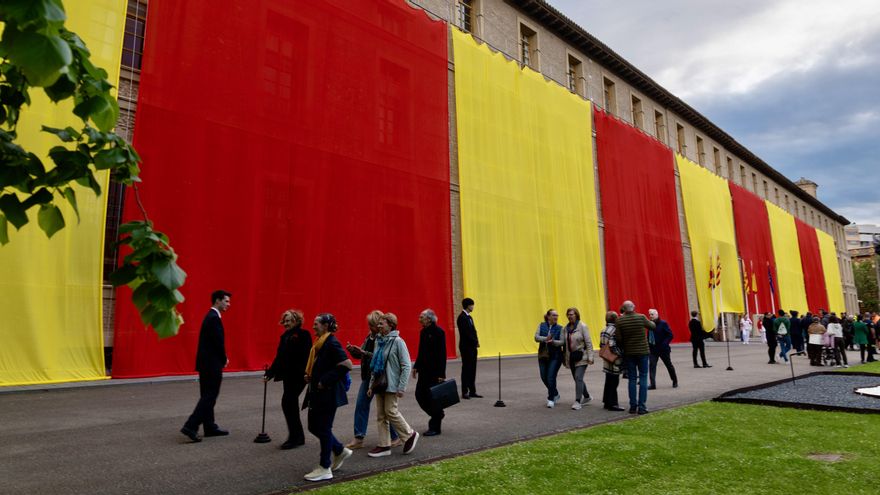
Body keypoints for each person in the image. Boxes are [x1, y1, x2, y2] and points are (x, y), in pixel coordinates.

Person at [303, 313, 353, 482]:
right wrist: (311, 375)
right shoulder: (320, 343)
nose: (313, 326)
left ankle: (325, 467)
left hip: (328, 394)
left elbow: (347, 364)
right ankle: (339, 450)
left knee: (323, 428)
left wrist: (324, 380)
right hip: (318, 393)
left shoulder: (331, 342)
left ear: (325, 326)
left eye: (316, 323)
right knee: (313, 426)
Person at [180, 290, 231, 443]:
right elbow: (218, 343)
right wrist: (224, 359)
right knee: (210, 396)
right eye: (226, 301)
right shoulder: (214, 318)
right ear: (217, 301)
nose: (229, 304)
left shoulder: (210, 317)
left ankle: (209, 426)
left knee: (207, 395)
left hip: (205, 364)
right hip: (212, 364)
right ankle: (191, 425)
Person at [344, 310, 399, 450]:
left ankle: (396, 436)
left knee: (387, 409)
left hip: (380, 377)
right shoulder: (370, 337)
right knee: (361, 405)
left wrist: (363, 353)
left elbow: (378, 356)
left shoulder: (383, 338)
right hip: (368, 377)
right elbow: (363, 355)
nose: (370, 328)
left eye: (372, 325)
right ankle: (359, 437)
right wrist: (354, 351)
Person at [366, 313, 419, 457]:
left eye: (381, 324)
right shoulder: (379, 341)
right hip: (380, 384)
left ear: (390, 325)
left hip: (392, 384)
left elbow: (406, 365)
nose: (379, 326)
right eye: (378, 324)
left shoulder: (398, 342)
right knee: (381, 415)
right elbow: (375, 366)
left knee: (391, 411)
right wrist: (371, 386)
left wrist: (401, 386)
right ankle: (384, 446)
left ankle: (410, 434)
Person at [264, 309, 312, 449]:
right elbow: (279, 357)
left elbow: (307, 355)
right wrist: (270, 374)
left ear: (296, 321)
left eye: (289, 320)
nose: (286, 323)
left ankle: (295, 437)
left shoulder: (303, 335)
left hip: (299, 375)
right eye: (284, 321)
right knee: (289, 404)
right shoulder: (285, 336)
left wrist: (306, 372)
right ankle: (297, 436)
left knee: (288, 402)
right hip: (288, 376)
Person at [616, 301, 655, 415]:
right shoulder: (641, 317)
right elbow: (653, 326)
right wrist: (651, 319)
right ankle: (642, 407)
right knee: (643, 378)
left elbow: (618, 339)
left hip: (629, 353)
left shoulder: (619, 320)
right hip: (643, 352)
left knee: (632, 379)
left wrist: (625, 346)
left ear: (623, 309)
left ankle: (633, 406)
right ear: (634, 307)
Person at [413, 309, 447, 436]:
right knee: (419, 395)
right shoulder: (423, 332)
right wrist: (416, 366)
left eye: (421, 317)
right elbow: (421, 351)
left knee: (433, 398)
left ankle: (435, 427)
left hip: (434, 372)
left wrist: (441, 374)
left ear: (428, 319)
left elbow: (442, 354)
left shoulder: (439, 332)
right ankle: (438, 414)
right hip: (424, 371)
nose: (419, 319)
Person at [561, 307, 594, 410]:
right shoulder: (565, 329)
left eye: (572, 314)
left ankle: (577, 401)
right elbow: (564, 344)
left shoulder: (582, 326)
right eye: (569, 314)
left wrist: (590, 356)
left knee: (578, 377)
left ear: (576, 315)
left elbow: (588, 342)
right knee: (577, 378)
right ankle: (587, 397)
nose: (570, 316)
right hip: (571, 357)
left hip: (582, 356)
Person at [534, 308, 563, 408]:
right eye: (554, 315)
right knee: (544, 377)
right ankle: (555, 393)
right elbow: (536, 337)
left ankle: (551, 398)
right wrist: (545, 339)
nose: (556, 317)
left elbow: (562, 342)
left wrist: (554, 342)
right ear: (548, 316)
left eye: (557, 315)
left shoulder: (560, 328)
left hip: (555, 356)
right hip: (543, 355)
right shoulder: (541, 325)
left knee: (551, 377)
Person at [457, 298, 481, 399]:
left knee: (472, 368)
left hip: (472, 347)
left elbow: (473, 331)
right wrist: (474, 341)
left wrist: (476, 341)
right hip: (466, 347)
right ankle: (464, 391)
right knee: (466, 368)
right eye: (472, 305)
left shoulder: (469, 317)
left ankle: (472, 390)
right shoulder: (462, 318)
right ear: (468, 306)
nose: (473, 307)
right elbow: (466, 333)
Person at [600, 311, 624, 411]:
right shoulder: (615, 330)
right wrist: (620, 354)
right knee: (614, 382)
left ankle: (606, 402)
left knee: (608, 381)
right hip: (614, 360)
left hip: (606, 359)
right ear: (615, 319)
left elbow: (601, 345)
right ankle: (613, 404)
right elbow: (612, 345)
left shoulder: (603, 330)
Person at [648, 309, 678, 389]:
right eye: (649, 314)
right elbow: (649, 337)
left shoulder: (663, 323)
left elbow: (670, 335)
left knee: (668, 365)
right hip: (653, 350)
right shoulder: (649, 324)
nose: (650, 316)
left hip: (663, 349)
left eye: (652, 314)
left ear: (656, 315)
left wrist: (664, 344)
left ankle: (674, 381)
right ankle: (652, 384)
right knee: (652, 366)